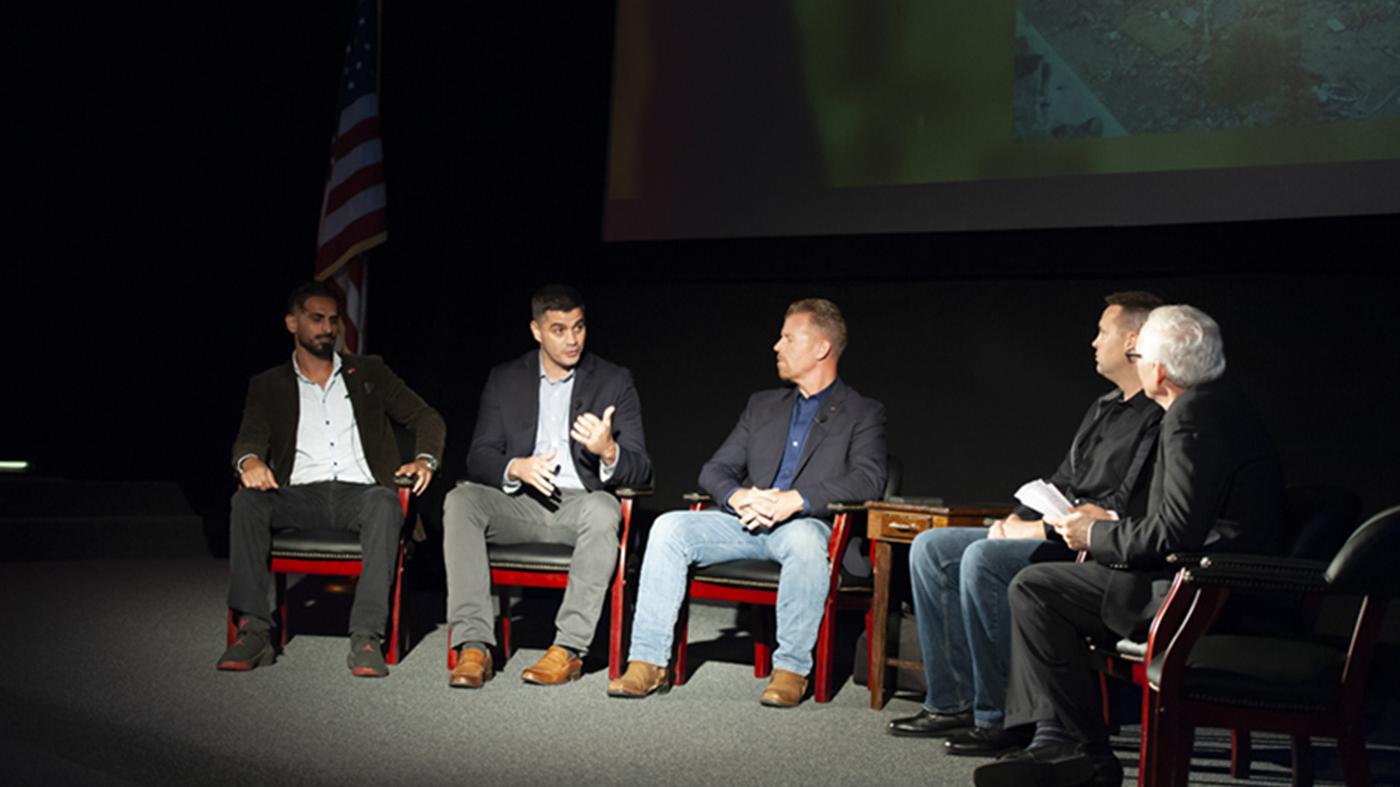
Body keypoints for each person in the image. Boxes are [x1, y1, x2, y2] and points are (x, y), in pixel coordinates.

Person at [973, 305, 1285, 787]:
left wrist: (1095, 535)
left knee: (1035, 588)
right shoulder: (1222, 405)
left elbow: (1175, 533)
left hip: (1199, 594)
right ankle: (1063, 745)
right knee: (1042, 586)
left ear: (1157, 369)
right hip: (1208, 579)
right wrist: (1112, 528)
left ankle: (1076, 750)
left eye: (1139, 355)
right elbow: (1185, 520)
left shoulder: (1191, 416)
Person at [889, 292, 1164, 757]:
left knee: (984, 557)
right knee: (933, 547)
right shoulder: (1103, 407)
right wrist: (1019, 518)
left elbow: (1120, 505)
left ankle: (1000, 716)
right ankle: (952, 700)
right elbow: (1064, 478)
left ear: (1133, 341)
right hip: (1055, 529)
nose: (1094, 341)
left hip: (1091, 547)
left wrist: (1037, 531)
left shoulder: (1156, 416)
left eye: (1103, 331)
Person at [608, 298, 887, 707]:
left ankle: (791, 669)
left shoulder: (863, 412)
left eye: (788, 337)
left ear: (821, 348)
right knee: (669, 526)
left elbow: (869, 480)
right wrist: (739, 495)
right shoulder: (762, 406)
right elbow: (715, 469)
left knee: (807, 540)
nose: (777, 345)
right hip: (745, 523)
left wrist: (796, 500)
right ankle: (648, 662)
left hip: (805, 526)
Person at [219, 281, 445, 677]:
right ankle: (254, 630)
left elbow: (427, 417)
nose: (327, 328)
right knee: (246, 502)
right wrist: (249, 460)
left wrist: (424, 460)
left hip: (360, 494)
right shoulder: (268, 384)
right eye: (316, 318)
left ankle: (366, 636)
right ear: (292, 323)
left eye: (333, 320)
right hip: (297, 495)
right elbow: (248, 440)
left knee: (384, 502)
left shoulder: (369, 371)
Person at [442, 284, 652, 688]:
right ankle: (473, 645)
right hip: (521, 503)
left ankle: (568, 649)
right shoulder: (505, 378)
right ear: (537, 331)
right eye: (559, 329)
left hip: (581, 504)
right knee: (461, 501)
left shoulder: (614, 380)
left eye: (578, 327)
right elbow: (479, 455)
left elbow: (642, 469)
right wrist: (515, 466)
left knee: (604, 509)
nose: (572, 339)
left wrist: (609, 451)